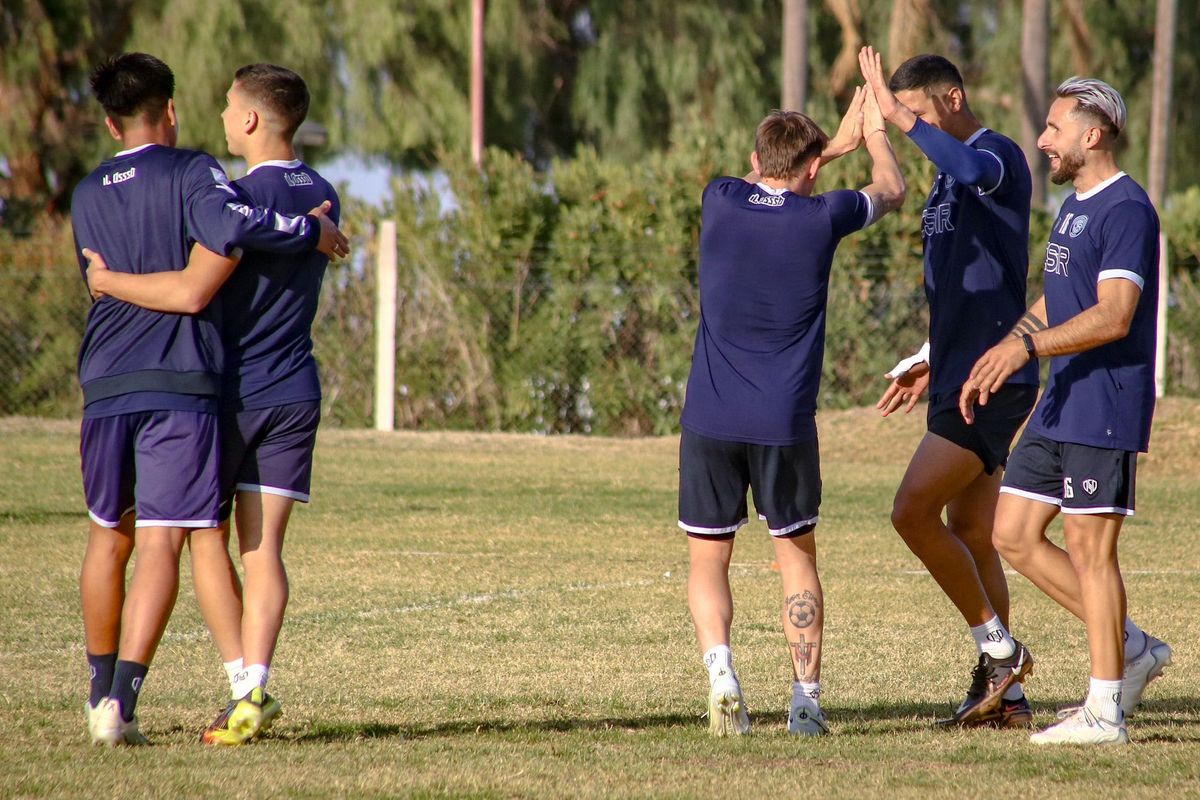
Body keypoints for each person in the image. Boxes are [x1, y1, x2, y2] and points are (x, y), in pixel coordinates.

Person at [72, 52, 347, 746]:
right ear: (165, 110)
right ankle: (243, 688)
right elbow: (226, 265)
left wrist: (107, 286)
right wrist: (312, 228)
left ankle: (107, 692)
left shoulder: (108, 191)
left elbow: (193, 268)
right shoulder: (300, 190)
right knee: (245, 548)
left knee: (150, 537)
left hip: (166, 385)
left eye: (229, 104)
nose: (219, 114)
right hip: (254, 386)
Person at [678, 86, 906, 737]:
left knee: (707, 558)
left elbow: (767, 177)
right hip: (782, 421)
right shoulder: (823, 217)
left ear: (754, 155)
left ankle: (722, 675)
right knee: (795, 556)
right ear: (814, 172)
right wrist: (871, 135)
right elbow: (890, 191)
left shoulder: (719, 200)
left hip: (710, 418)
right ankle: (804, 700)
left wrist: (824, 148)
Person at [960, 77, 1171, 745]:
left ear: (1092, 134)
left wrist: (1026, 352)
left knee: (1089, 550)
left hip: (1105, 403)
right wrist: (1008, 344)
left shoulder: (1127, 210)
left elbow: (1113, 315)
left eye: (1054, 128)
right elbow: (1061, 298)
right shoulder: (1072, 206)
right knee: (1012, 533)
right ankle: (1132, 648)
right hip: (1061, 401)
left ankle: (1104, 710)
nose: (1043, 139)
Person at [857, 46, 1037, 728]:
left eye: (922, 110)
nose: (915, 125)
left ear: (952, 101)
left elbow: (965, 163)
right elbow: (968, 284)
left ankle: (1000, 652)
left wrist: (898, 118)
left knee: (910, 511)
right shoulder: (942, 183)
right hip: (956, 373)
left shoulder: (996, 158)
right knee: (970, 530)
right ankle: (1008, 702)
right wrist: (931, 353)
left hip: (990, 380)